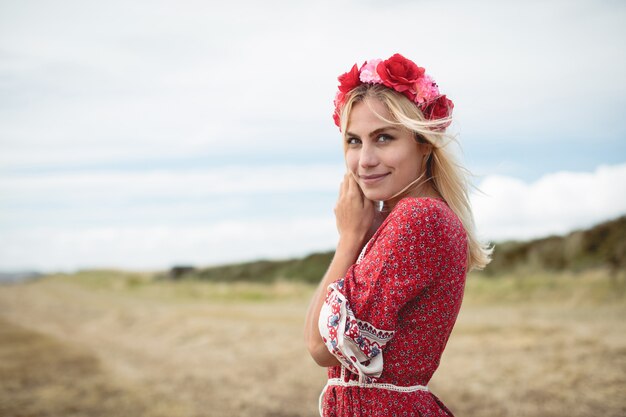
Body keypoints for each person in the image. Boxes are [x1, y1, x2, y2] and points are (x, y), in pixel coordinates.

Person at [304, 53, 492, 417]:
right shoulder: (414, 218)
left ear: (424, 143)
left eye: (384, 138)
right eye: (354, 141)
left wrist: (349, 239)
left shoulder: (418, 218)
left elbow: (320, 347)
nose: (365, 160)